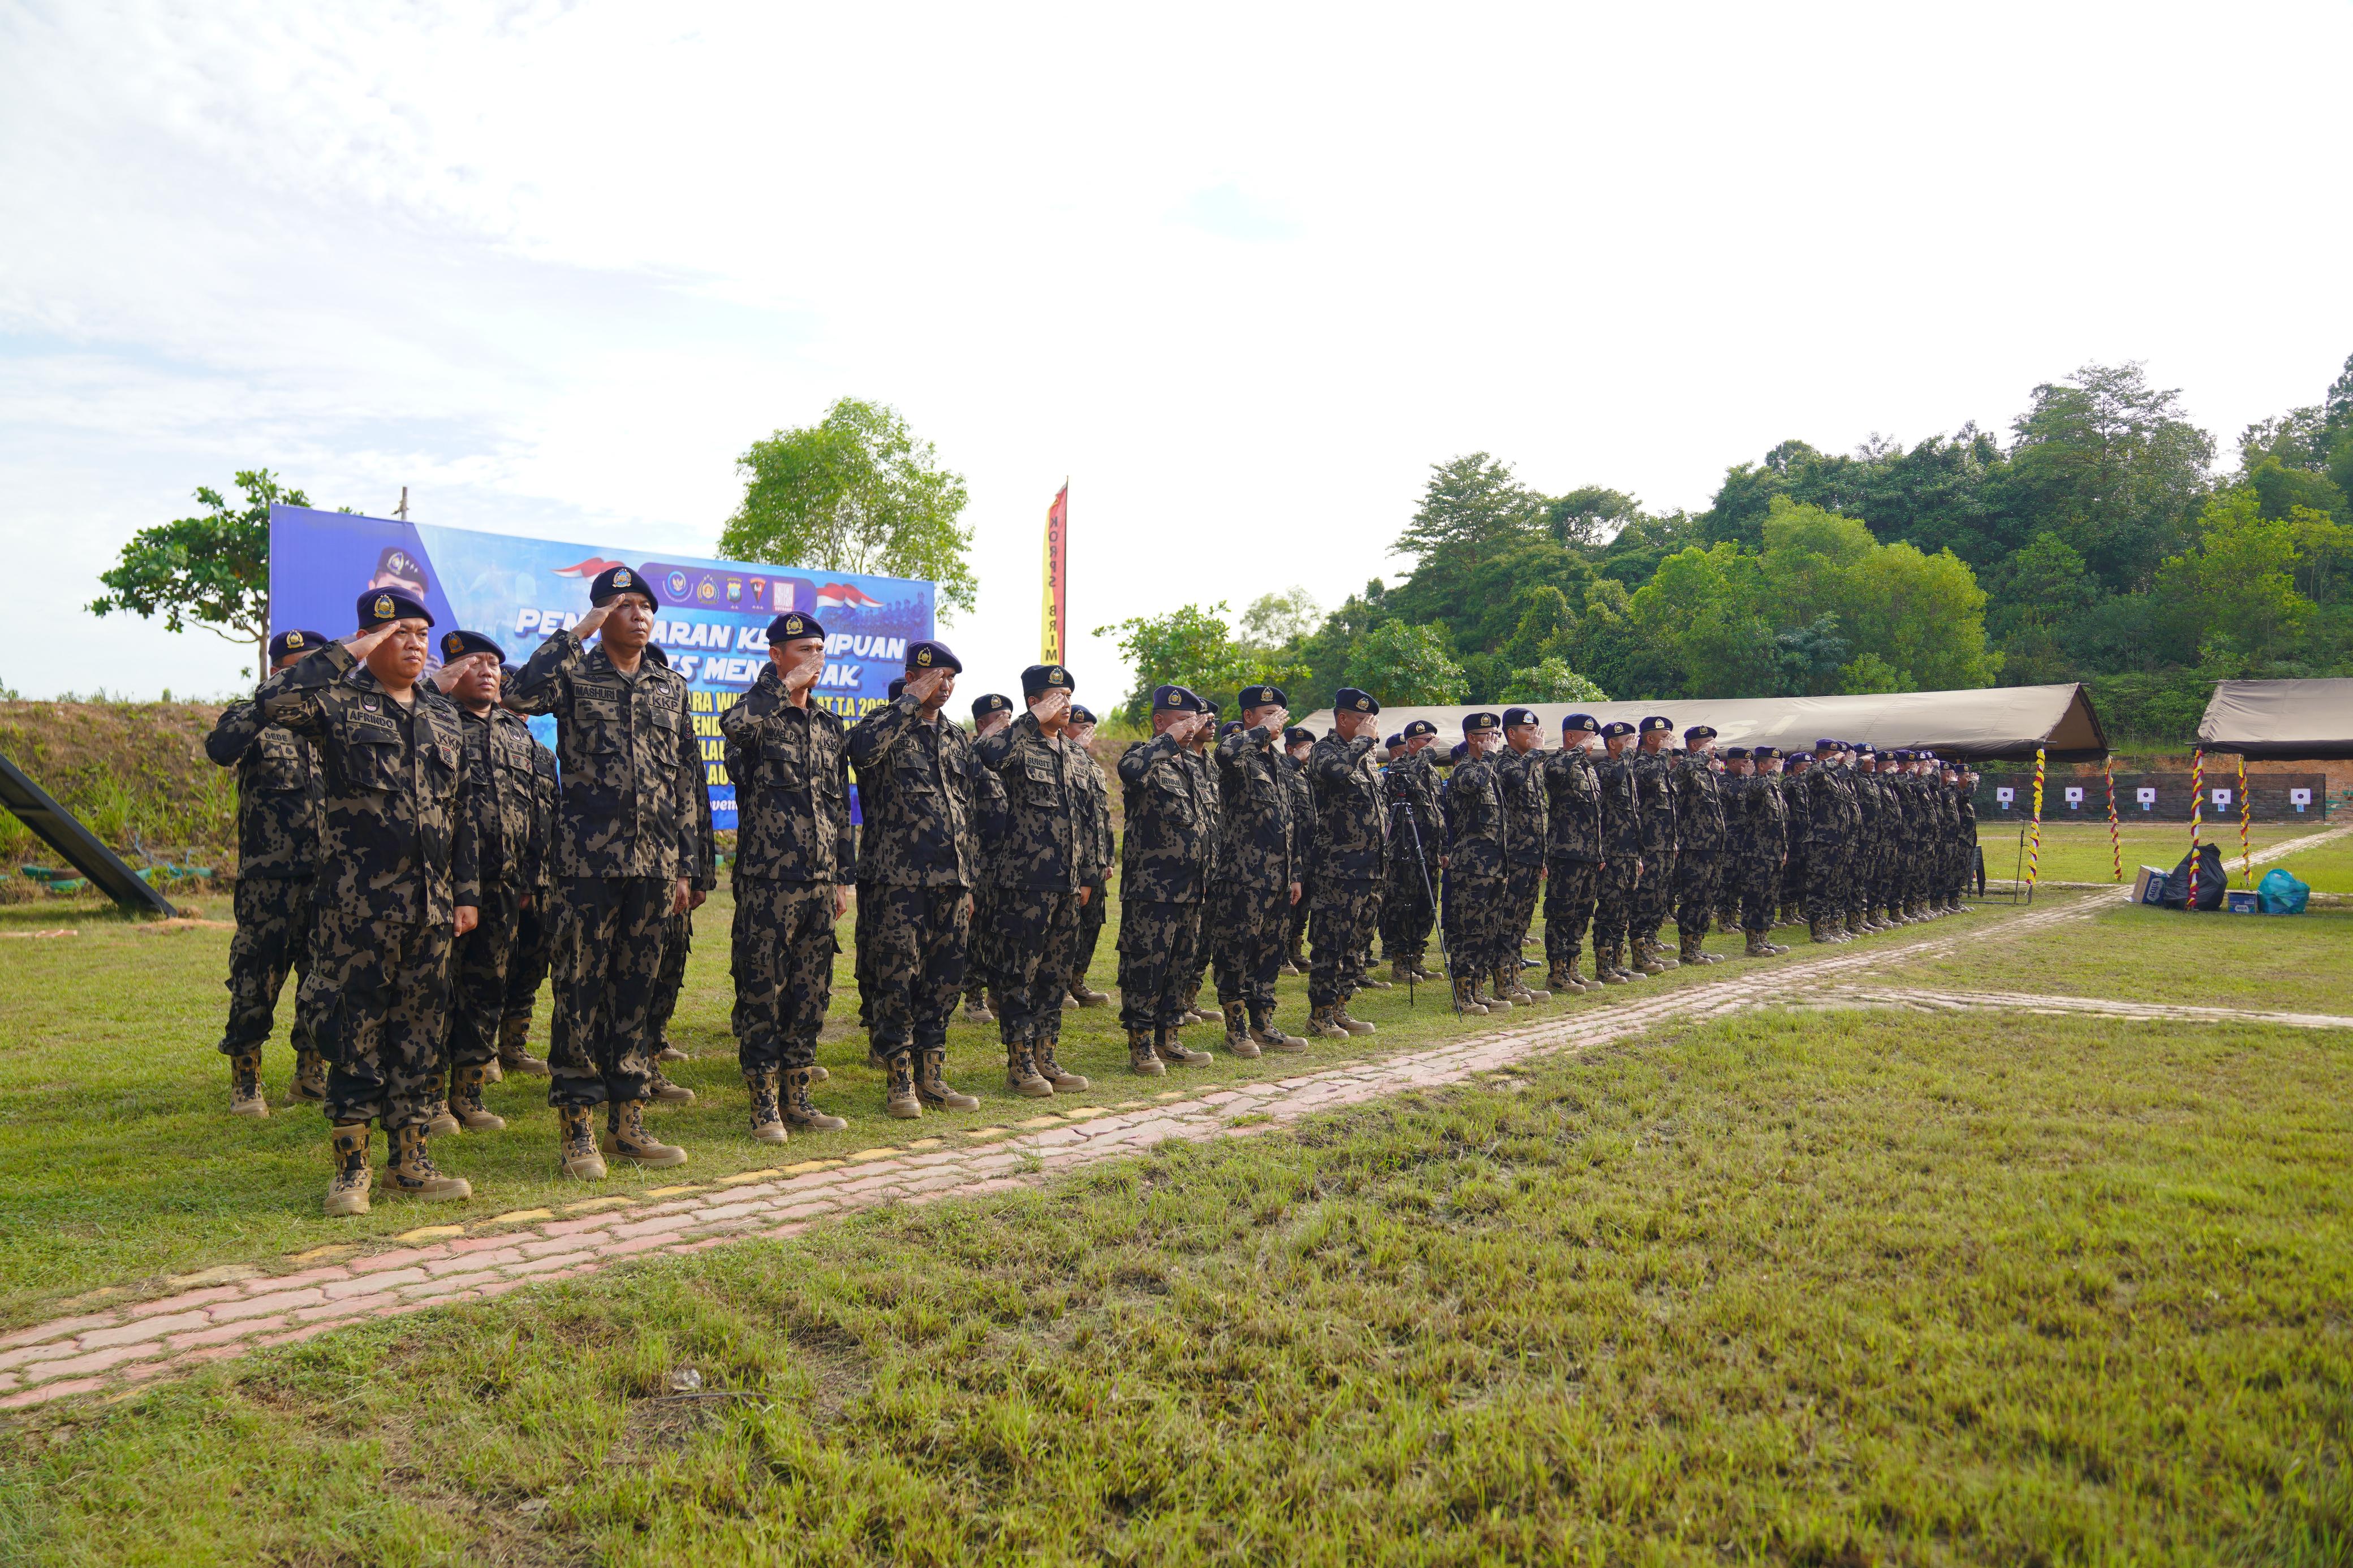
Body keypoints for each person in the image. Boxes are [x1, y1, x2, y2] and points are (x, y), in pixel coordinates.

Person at [259, 591, 479, 1216]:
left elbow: (461, 815)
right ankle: (350, 1170)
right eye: (398, 632)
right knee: (354, 1036)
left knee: (419, 1036)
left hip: (431, 911)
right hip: (357, 909)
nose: (414, 642)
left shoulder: (442, 716)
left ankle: (410, 1162)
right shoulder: (338, 704)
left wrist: (465, 894)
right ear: (369, 639)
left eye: (420, 633)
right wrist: (347, 653)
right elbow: (273, 703)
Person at [506, 565, 704, 1177]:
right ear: (601, 616)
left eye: (647, 605)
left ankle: (629, 1121)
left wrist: (687, 865)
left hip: (652, 868)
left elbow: (686, 779)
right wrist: (579, 632)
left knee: (635, 996)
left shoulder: (670, 686)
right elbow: (518, 695)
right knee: (580, 992)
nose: (640, 614)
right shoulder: (572, 674)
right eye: (624, 605)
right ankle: (578, 1129)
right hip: (586, 866)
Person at [717, 610, 855, 1142]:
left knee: (810, 991)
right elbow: (732, 726)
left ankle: (797, 1096)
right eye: (803, 650)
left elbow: (838, 807)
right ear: (776, 655)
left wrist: (842, 876)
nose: (814, 660)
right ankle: (763, 1105)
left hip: (820, 882)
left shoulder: (827, 725)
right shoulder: (758, 716)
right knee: (761, 989)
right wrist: (780, 689)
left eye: (819, 650)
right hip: (769, 881)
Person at [845, 642, 982, 1116]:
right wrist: (908, 701)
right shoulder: (882, 726)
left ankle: (932, 1076)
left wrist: (969, 883)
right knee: (896, 981)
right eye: (936, 677)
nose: (943, 687)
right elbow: (860, 753)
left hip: (950, 883)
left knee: (944, 982)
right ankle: (899, 1080)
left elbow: (968, 809)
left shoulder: (957, 738)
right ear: (912, 677)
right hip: (896, 882)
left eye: (950, 679)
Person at [204, 628, 327, 1117]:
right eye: (300, 668)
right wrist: (265, 705)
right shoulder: (251, 717)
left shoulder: (331, 724)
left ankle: (311, 1071)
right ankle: (247, 1077)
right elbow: (220, 748)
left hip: (329, 880)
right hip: (269, 882)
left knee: (324, 982)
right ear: (278, 671)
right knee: (257, 979)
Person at [434, 631, 545, 1134]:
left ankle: (470, 1091)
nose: (488, 670)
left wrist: (530, 876)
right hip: (444, 883)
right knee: (437, 989)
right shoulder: (431, 721)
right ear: (450, 671)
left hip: (502, 885)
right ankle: (431, 1096)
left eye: (494, 663)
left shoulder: (515, 731)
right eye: (474, 661)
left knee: (487, 987)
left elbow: (532, 810)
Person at [971, 663, 1097, 1095]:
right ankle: (1020, 1062)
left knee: (1054, 976)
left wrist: (1087, 875)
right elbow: (987, 755)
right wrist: (1030, 721)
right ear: (1034, 702)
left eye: (1068, 697)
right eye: (1055, 698)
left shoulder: (1075, 754)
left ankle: (1047, 1055)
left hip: (1066, 887)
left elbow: (1087, 818)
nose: (1065, 705)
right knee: (1017, 975)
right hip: (1024, 883)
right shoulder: (1017, 745)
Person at [1115, 686, 1218, 1072]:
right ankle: (1141, 1043)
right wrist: (1167, 741)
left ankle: (1169, 1036)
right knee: (1146, 965)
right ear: (1161, 722)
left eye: (1194, 721)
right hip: (1153, 890)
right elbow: (1128, 770)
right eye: (1181, 721)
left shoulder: (1193, 767)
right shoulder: (1144, 758)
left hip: (1192, 889)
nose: (1190, 728)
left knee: (1180, 964)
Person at [1208, 685, 1305, 1056]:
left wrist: (1295, 873)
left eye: (1280, 714)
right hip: (1243, 875)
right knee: (1237, 952)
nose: (1277, 722)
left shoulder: (1278, 764)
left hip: (1279, 878)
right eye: (1268, 714)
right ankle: (1236, 1028)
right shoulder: (1240, 757)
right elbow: (1225, 750)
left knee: (1269, 953)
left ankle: (1264, 1023)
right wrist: (1262, 733)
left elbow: (1289, 822)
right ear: (1249, 717)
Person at [640, 647, 714, 1094]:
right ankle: (634, 1060)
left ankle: (652, 1044)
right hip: (638, 867)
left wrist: (699, 872)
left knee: (670, 958)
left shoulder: (679, 734)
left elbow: (696, 805)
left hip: (677, 865)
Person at [1304, 689, 1388, 1038]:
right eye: (1362, 719)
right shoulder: (1326, 752)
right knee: (1331, 943)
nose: (1369, 726)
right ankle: (1320, 1014)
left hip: (1371, 867)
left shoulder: (1365, 757)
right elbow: (1335, 774)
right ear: (1342, 720)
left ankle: (1340, 1007)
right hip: (1339, 869)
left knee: (1358, 944)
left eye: (1371, 720)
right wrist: (1362, 744)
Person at [495, 705, 558, 1081]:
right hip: (499, 876)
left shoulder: (544, 755)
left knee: (532, 962)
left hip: (542, 878)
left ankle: (513, 1044)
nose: (516, 714)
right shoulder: (484, 747)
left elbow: (554, 812)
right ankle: (482, 1049)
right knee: (490, 963)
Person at [1442, 712, 1509, 1014]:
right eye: (1488, 734)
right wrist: (1489, 759)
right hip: (1471, 866)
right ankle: (1463, 993)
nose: (1494, 739)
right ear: (1472, 738)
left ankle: (1479, 988)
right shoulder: (1465, 771)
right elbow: (1472, 784)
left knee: (1488, 930)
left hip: (1495, 865)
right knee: (1468, 929)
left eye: (1496, 733)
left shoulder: (1490, 771)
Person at [961, 693, 1014, 1025]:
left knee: (1004, 929)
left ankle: (997, 990)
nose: (1008, 724)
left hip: (1010, 862)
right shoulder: (972, 757)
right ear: (983, 724)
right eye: (1000, 719)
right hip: (979, 860)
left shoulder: (1012, 757)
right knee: (976, 930)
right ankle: (973, 995)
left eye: (1010, 717)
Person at [1489, 707, 1549, 1003]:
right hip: (1512, 856)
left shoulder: (1532, 764)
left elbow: (1541, 812)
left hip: (1532, 855)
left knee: (1522, 922)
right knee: (1507, 919)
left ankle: (1515, 977)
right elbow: (1513, 781)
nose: (1535, 735)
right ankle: (1502, 983)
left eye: (1536, 730)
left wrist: (1543, 856)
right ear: (1511, 734)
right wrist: (1535, 754)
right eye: (1528, 730)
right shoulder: (1503, 763)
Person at [1541, 713, 1604, 994]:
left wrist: (1599, 851)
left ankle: (1573, 968)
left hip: (1589, 854)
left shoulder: (1589, 769)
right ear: (1570, 737)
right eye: (1587, 735)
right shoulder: (1557, 762)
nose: (1592, 741)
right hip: (1565, 853)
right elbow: (1552, 774)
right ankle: (1556, 973)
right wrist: (1579, 750)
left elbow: (1595, 815)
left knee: (1582, 914)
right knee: (1562, 913)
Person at [1380, 719, 1444, 985]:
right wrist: (1426, 755)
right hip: (1405, 849)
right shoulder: (1399, 766)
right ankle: (1399, 961)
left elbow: (1439, 814)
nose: (1431, 745)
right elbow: (1401, 785)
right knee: (1402, 904)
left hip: (1430, 851)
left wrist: (1444, 848)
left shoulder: (1433, 773)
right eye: (1425, 741)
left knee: (1425, 906)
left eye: (1432, 741)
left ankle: (1417, 958)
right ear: (1411, 744)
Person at [1065, 705, 1115, 1008]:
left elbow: (1102, 817)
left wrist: (1107, 857)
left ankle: (1077, 979)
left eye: (1090, 729)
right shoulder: (1066, 760)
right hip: (1072, 861)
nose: (1087, 734)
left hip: (1096, 862)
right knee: (1068, 924)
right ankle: (1058, 985)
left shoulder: (1094, 767)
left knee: (1092, 922)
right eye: (1080, 728)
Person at [1592, 720, 1644, 984]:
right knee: (1609, 911)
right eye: (1628, 740)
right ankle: (1603, 966)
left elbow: (1633, 817)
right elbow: (1613, 778)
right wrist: (1627, 755)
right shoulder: (1604, 768)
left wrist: (1638, 856)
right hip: (1612, 853)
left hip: (1630, 854)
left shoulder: (1629, 772)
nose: (1633, 744)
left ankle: (1618, 962)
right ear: (1612, 743)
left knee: (1624, 911)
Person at [1671, 724, 1726, 966]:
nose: (1715, 747)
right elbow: (1680, 771)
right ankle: (1687, 950)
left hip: (1713, 847)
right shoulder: (1689, 770)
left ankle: (1697, 947)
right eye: (1710, 743)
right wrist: (1702, 755)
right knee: (1694, 898)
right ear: (1695, 745)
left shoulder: (1707, 774)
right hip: (1694, 846)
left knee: (1707, 898)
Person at [1727, 748, 1790, 957]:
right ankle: (1752, 943)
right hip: (1756, 854)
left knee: (1770, 899)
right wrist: (1773, 775)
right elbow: (1754, 792)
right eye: (1774, 763)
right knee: (1755, 898)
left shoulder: (1774, 788)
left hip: (1774, 853)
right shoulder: (1753, 784)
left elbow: (1781, 823)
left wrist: (1784, 849)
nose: (1779, 767)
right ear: (1762, 765)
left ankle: (1764, 938)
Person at [1630, 716, 1679, 973]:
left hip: (1665, 846)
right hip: (1648, 847)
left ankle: (1650, 946)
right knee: (1645, 899)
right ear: (1650, 739)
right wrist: (1665, 754)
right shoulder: (1642, 764)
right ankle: (1640, 956)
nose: (1669, 741)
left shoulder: (1663, 767)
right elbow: (1648, 780)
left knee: (1659, 899)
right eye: (1664, 737)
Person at [1279, 726, 1317, 974]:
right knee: (1286, 906)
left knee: (1303, 905)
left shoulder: (1308, 775)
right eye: (1305, 748)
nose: (1309, 754)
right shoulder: (1284, 768)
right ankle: (1280, 956)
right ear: (1290, 748)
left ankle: (1295, 950)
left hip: (1310, 848)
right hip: (1292, 847)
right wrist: (1296, 760)